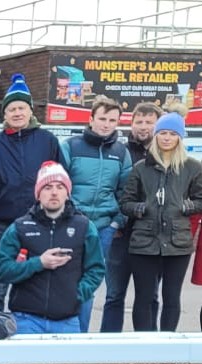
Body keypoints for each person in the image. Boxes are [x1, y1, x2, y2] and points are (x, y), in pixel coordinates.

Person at [0, 162, 104, 334]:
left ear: (67, 193)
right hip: (26, 319)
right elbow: (1, 270)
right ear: (38, 194)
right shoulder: (20, 227)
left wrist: (77, 294)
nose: (54, 192)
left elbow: (96, 269)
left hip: (68, 321)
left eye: (60, 187)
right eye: (47, 187)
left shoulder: (84, 227)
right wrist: (38, 263)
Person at [118, 112, 202, 332]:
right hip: (144, 241)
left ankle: (168, 344)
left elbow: (200, 199)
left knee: (171, 297)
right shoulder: (140, 168)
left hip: (178, 243)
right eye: (163, 133)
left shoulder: (192, 167)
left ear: (179, 138)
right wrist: (140, 208)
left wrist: (186, 206)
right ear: (156, 136)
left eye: (172, 134)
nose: (166, 138)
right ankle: (144, 345)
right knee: (144, 296)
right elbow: (125, 202)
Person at [0, 73, 62, 260]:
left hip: (40, 222)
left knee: (35, 282)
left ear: (30, 111)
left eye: (22, 108)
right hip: (0, 226)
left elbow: (62, 182)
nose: (17, 113)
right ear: (5, 114)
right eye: (12, 109)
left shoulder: (48, 141)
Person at [60, 95, 131, 329]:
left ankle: (82, 336)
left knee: (89, 283)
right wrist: (69, 215)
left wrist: (116, 223)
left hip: (103, 228)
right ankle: (66, 332)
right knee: (66, 278)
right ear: (91, 119)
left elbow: (127, 192)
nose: (107, 124)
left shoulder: (121, 152)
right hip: (71, 224)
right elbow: (60, 184)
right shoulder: (71, 146)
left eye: (112, 120)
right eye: (102, 118)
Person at [101, 101, 163, 332]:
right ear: (131, 123)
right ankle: (108, 349)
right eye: (139, 121)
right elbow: (112, 189)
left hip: (152, 239)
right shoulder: (118, 151)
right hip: (121, 235)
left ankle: (150, 350)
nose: (143, 126)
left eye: (149, 122)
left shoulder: (167, 156)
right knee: (114, 296)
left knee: (150, 297)